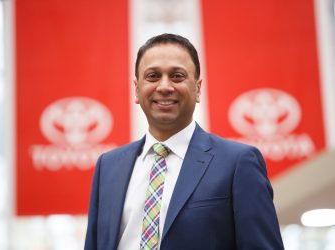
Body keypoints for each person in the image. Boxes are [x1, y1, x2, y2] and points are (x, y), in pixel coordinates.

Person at [84, 33, 284, 250]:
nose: (164, 86)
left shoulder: (238, 163)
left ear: (197, 88)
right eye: (152, 76)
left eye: (177, 76)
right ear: (137, 89)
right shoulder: (108, 166)